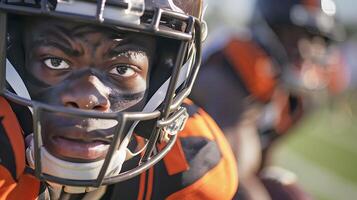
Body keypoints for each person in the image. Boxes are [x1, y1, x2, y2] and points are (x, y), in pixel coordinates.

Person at [0, 0, 238, 199]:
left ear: (162, 79)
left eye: (123, 69)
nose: (88, 98)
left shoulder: (188, 170)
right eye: (56, 62)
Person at [190, 0, 345, 199]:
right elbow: (233, 176)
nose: (310, 50)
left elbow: (260, 161)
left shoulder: (292, 95)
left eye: (318, 39)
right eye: (299, 34)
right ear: (272, 28)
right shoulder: (230, 75)